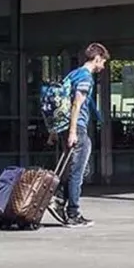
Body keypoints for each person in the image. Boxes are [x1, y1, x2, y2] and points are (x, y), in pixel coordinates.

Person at [49, 42, 109, 228]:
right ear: (97, 58)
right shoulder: (85, 77)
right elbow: (76, 104)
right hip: (77, 128)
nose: (103, 66)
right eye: (103, 62)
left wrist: (53, 131)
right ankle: (72, 212)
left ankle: (59, 199)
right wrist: (73, 131)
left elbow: (58, 103)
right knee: (77, 171)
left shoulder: (72, 74)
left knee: (80, 169)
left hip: (62, 127)